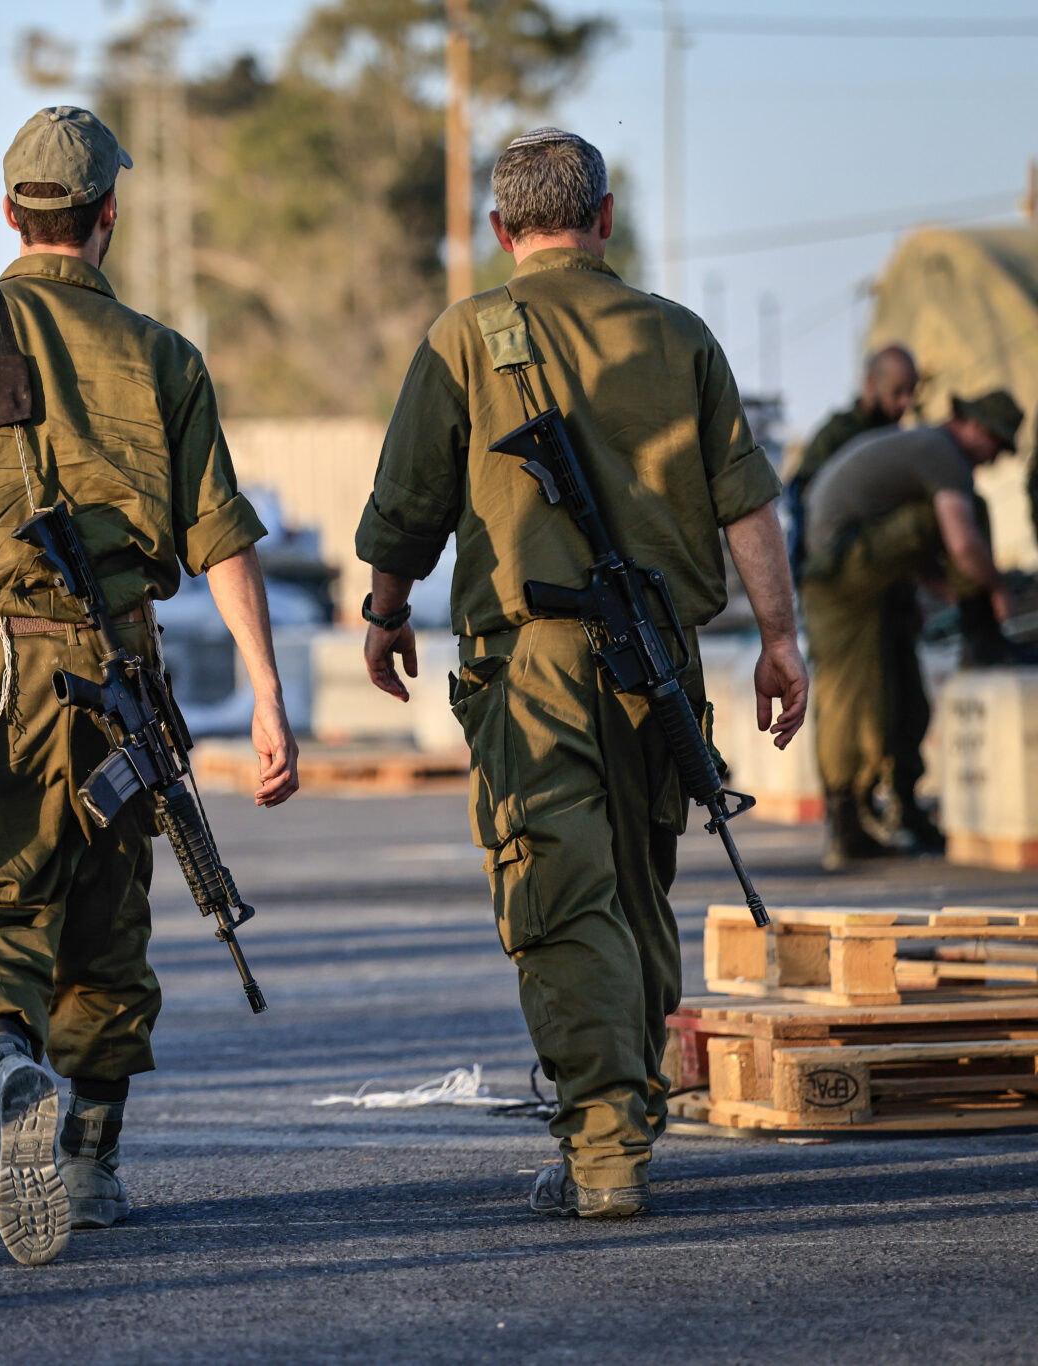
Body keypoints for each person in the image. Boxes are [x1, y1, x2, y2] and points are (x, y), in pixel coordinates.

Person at [0, 106, 299, 1267]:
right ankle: (91, 1160)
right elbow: (220, 537)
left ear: (9, 213)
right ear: (108, 216)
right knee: (107, 919)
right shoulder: (163, 355)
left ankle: (8, 1063)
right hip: (118, 668)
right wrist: (264, 692)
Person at [357, 128, 807, 1220]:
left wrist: (385, 611)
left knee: (564, 895)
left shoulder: (468, 335)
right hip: (659, 661)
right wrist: (781, 640)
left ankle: (605, 1149)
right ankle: (630, 1112)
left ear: (500, 228)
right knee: (638, 887)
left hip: (531, 668)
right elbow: (746, 501)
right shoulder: (678, 333)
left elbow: (409, 502)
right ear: (603, 218)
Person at [799, 392, 1022, 866]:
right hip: (837, 574)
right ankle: (847, 824)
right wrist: (995, 589)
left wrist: (937, 584)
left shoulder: (920, 448)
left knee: (897, 696)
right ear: (976, 428)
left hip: (855, 573)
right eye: (997, 446)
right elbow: (962, 543)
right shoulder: (943, 455)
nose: (993, 460)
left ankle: (891, 813)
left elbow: (901, 536)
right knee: (850, 701)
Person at [788, 346, 919, 508]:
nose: (906, 402)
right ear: (870, 384)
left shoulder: (898, 439)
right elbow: (804, 498)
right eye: (897, 392)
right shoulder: (837, 435)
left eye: (911, 391)